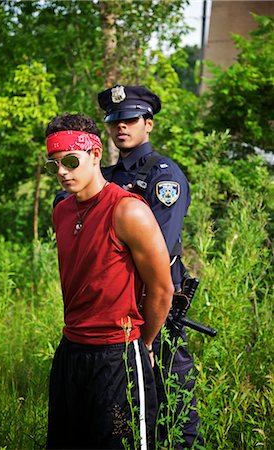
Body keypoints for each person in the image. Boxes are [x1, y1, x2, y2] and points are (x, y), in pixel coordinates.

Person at [44, 112, 174, 450]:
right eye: (53, 164)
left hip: (117, 355)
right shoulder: (62, 211)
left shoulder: (128, 211)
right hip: (71, 351)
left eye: (70, 161)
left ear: (96, 154)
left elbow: (162, 290)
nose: (61, 171)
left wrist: (141, 344)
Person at [98, 85, 204, 448]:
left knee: (173, 403)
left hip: (155, 306)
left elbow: (157, 249)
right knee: (121, 405)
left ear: (149, 124)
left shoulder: (164, 176)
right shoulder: (104, 177)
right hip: (113, 309)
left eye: (130, 119)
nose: (121, 127)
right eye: (115, 121)